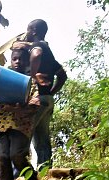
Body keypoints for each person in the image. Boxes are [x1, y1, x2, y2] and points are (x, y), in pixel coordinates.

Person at [13, 19, 68, 170]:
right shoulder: (49, 53)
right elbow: (63, 75)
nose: (27, 33)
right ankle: (45, 173)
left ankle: (21, 175)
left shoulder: (37, 46)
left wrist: (32, 75)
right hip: (47, 100)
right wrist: (50, 92)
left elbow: (36, 54)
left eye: (29, 30)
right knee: (42, 141)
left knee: (22, 138)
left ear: (35, 31)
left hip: (36, 100)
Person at [0, 48, 39, 180]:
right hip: (4, 126)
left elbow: (35, 104)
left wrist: (20, 107)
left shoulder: (31, 81)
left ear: (27, 62)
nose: (17, 62)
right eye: (14, 59)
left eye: (21, 59)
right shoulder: (4, 79)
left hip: (21, 127)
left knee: (17, 156)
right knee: (2, 157)